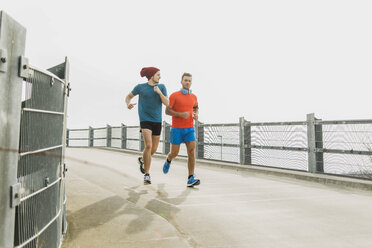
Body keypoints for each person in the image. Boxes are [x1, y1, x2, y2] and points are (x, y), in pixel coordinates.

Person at [126, 67, 169, 184]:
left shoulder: (162, 87)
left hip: (157, 121)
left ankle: (142, 159)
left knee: (153, 149)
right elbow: (128, 96)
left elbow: (167, 103)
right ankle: (147, 174)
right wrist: (128, 104)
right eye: (158, 75)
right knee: (148, 146)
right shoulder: (140, 87)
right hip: (145, 120)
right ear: (151, 76)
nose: (160, 77)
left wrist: (159, 93)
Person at [162, 72, 200, 187]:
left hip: (189, 129)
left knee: (192, 152)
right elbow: (167, 111)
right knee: (174, 153)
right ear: (181, 81)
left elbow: (196, 108)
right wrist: (179, 114)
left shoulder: (194, 97)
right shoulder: (174, 96)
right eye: (185, 80)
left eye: (189, 80)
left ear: (191, 82)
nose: (187, 82)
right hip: (177, 129)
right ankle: (169, 159)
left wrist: (195, 114)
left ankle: (190, 178)